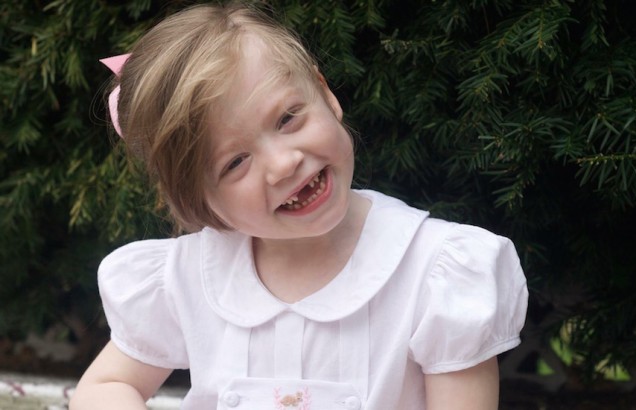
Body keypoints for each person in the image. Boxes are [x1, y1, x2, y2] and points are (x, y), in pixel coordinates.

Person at [70, 2, 528, 409]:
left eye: (288, 118)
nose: (283, 163)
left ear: (325, 93)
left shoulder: (433, 273)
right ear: (198, 199)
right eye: (234, 162)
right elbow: (104, 385)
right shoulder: (189, 277)